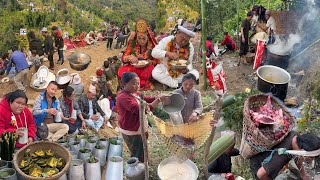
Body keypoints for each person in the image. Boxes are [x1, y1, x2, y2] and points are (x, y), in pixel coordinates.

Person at [116, 72, 169, 162]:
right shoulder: (123, 97)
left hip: (139, 129)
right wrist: (159, 100)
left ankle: (144, 165)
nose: (137, 86)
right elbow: (143, 109)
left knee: (142, 150)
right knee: (137, 154)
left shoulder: (133, 93)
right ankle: (138, 171)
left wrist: (156, 97)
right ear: (124, 84)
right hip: (132, 132)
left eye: (138, 83)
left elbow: (144, 99)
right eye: (134, 83)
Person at [250, 131, 320, 180]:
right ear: (302, 152)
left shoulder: (296, 136)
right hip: (260, 164)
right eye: (311, 157)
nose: (312, 159)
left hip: (270, 159)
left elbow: (297, 158)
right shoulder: (279, 159)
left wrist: (303, 174)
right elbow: (260, 174)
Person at [118, 19, 159, 90]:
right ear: (136, 37)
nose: (141, 41)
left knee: (152, 70)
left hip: (146, 68)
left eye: (144, 38)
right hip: (133, 67)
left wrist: (150, 62)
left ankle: (135, 83)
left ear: (148, 37)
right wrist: (129, 57)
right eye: (139, 38)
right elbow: (124, 57)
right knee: (121, 71)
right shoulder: (132, 44)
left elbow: (157, 61)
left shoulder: (152, 46)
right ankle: (139, 82)